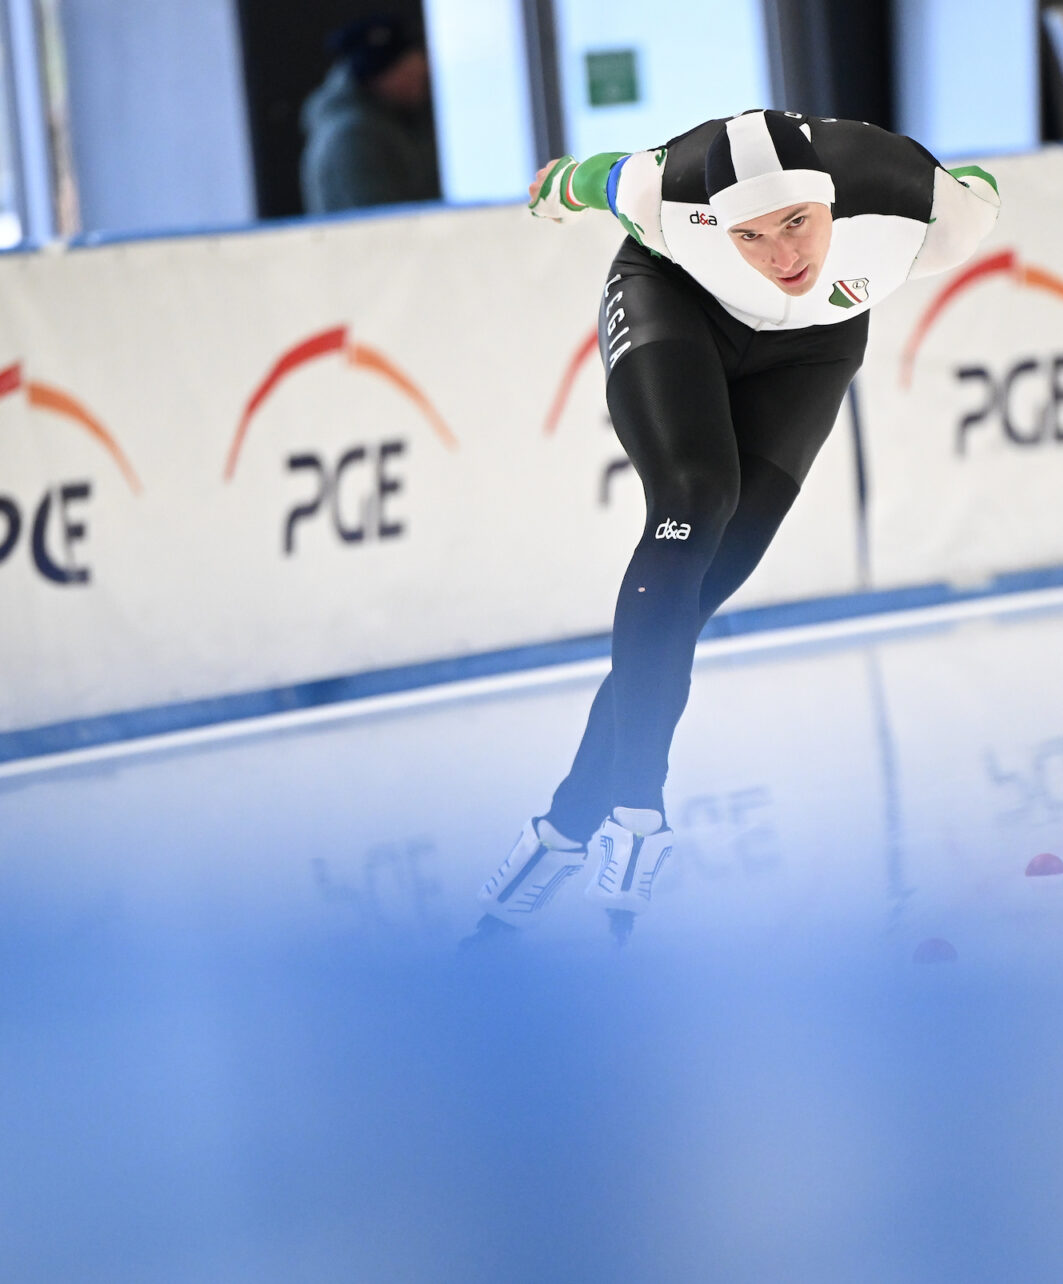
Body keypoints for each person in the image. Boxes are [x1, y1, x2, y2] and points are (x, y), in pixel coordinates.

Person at [469, 110, 1000, 943]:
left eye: (797, 222)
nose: (783, 256)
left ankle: (562, 832)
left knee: (695, 595)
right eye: (750, 235)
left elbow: (982, 189)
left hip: (814, 347)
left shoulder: (923, 212)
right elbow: (591, 179)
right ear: (716, 221)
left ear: (832, 199)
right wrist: (555, 187)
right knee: (694, 499)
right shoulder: (661, 194)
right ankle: (639, 815)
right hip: (675, 298)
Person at [299, 16, 440, 214]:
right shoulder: (352, 135)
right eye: (407, 72)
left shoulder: (395, 120)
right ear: (378, 74)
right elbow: (374, 222)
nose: (420, 79)